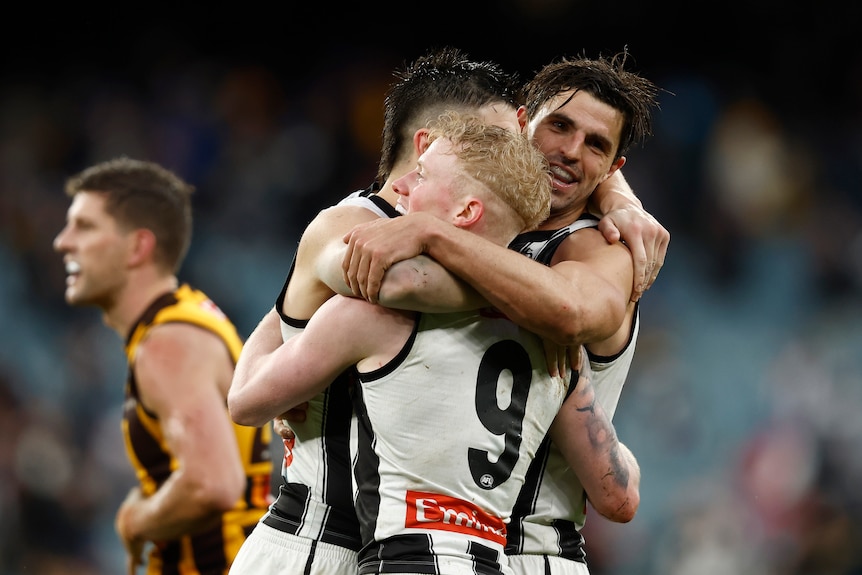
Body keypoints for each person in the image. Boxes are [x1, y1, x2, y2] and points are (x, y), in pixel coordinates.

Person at [229, 46, 663, 575]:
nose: (571, 151)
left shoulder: (601, 250)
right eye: (559, 127)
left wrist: (432, 232)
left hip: (522, 551)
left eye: (596, 145)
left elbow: (569, 311)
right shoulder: (372, 224)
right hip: (352, 540)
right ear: (522, 128)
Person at [52, 157, 274, 575]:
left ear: (138, 247)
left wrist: (134, 520)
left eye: (84, 227)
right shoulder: (185, 320)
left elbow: (211, 486)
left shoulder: (168, 342)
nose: (63, 242)